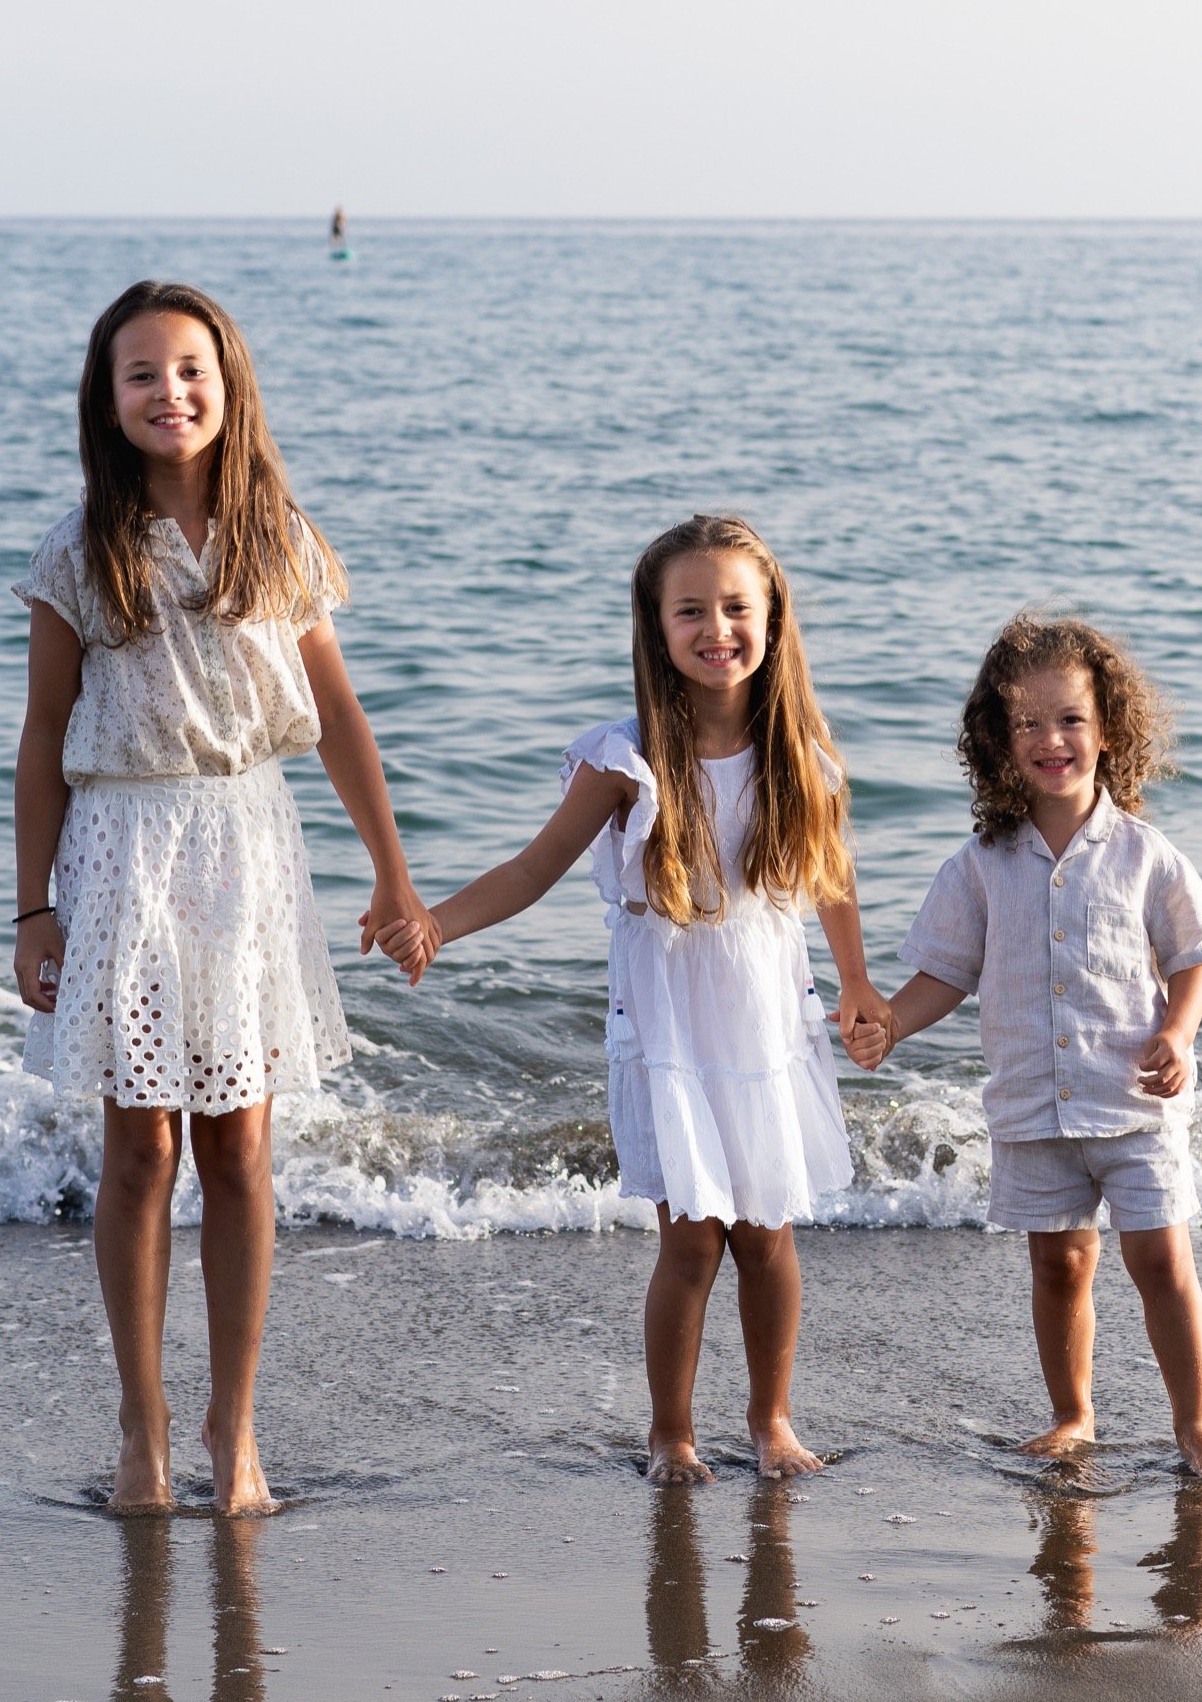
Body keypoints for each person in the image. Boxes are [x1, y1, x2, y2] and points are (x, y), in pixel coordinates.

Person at [12, 279, 434, 1516]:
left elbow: (343, 717)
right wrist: (30, 908)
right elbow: (42, 737)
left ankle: (231, 1433)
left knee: (241, 1147)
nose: (169, 392)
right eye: (141, 374)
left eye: (190, 370)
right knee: (140, 1149)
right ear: (108, 399)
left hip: (249, 845)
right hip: (123, 849)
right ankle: (142, 1434)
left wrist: (393, 874)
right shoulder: (77, 551)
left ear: (229, 385)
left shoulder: (277, 537)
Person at [373, 512, 888, 1483]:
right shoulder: (626, 762)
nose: (716, 628)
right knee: (690, 1241)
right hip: (668, 1029)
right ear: (656, 629)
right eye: (690, 610)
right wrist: (436, 921)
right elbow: (533, 870)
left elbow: (831, 877)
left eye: (737, 607)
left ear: (774, 619)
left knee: (768, 1233)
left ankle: (772, 1422)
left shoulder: (801, 755)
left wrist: (858, 983)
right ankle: (671, 1435)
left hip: (768, 1018)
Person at [848, 615, 1202, 1479]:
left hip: (1133, 1103)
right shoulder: (980, 863)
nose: (1050, 739)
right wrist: (888, 1019)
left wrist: (1178, 1032)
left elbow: (1195, 956)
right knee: (1060, 1264)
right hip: (1032, 1104)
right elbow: (945, 976)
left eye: (1069, 718)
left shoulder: (1146, 855)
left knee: (1160, 1261)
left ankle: (1197, 1425)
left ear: (1108, 728)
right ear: (997, 740)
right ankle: (1073, 1413)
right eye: (1025, 723)